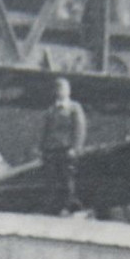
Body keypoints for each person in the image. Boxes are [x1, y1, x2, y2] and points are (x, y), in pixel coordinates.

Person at [38, 77, 87, 214]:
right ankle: (52, 208)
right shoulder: (51, 110)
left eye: (64, 88)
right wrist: (42, 149)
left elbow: (79, 129)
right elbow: (45, 131)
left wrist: (75, 148)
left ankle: (68, 207)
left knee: (67, 180)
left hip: (66, 150)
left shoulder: (74, 108)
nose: (61, 91)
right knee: (51, 180)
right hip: (51, 150)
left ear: (69, 91)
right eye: (58, 89)